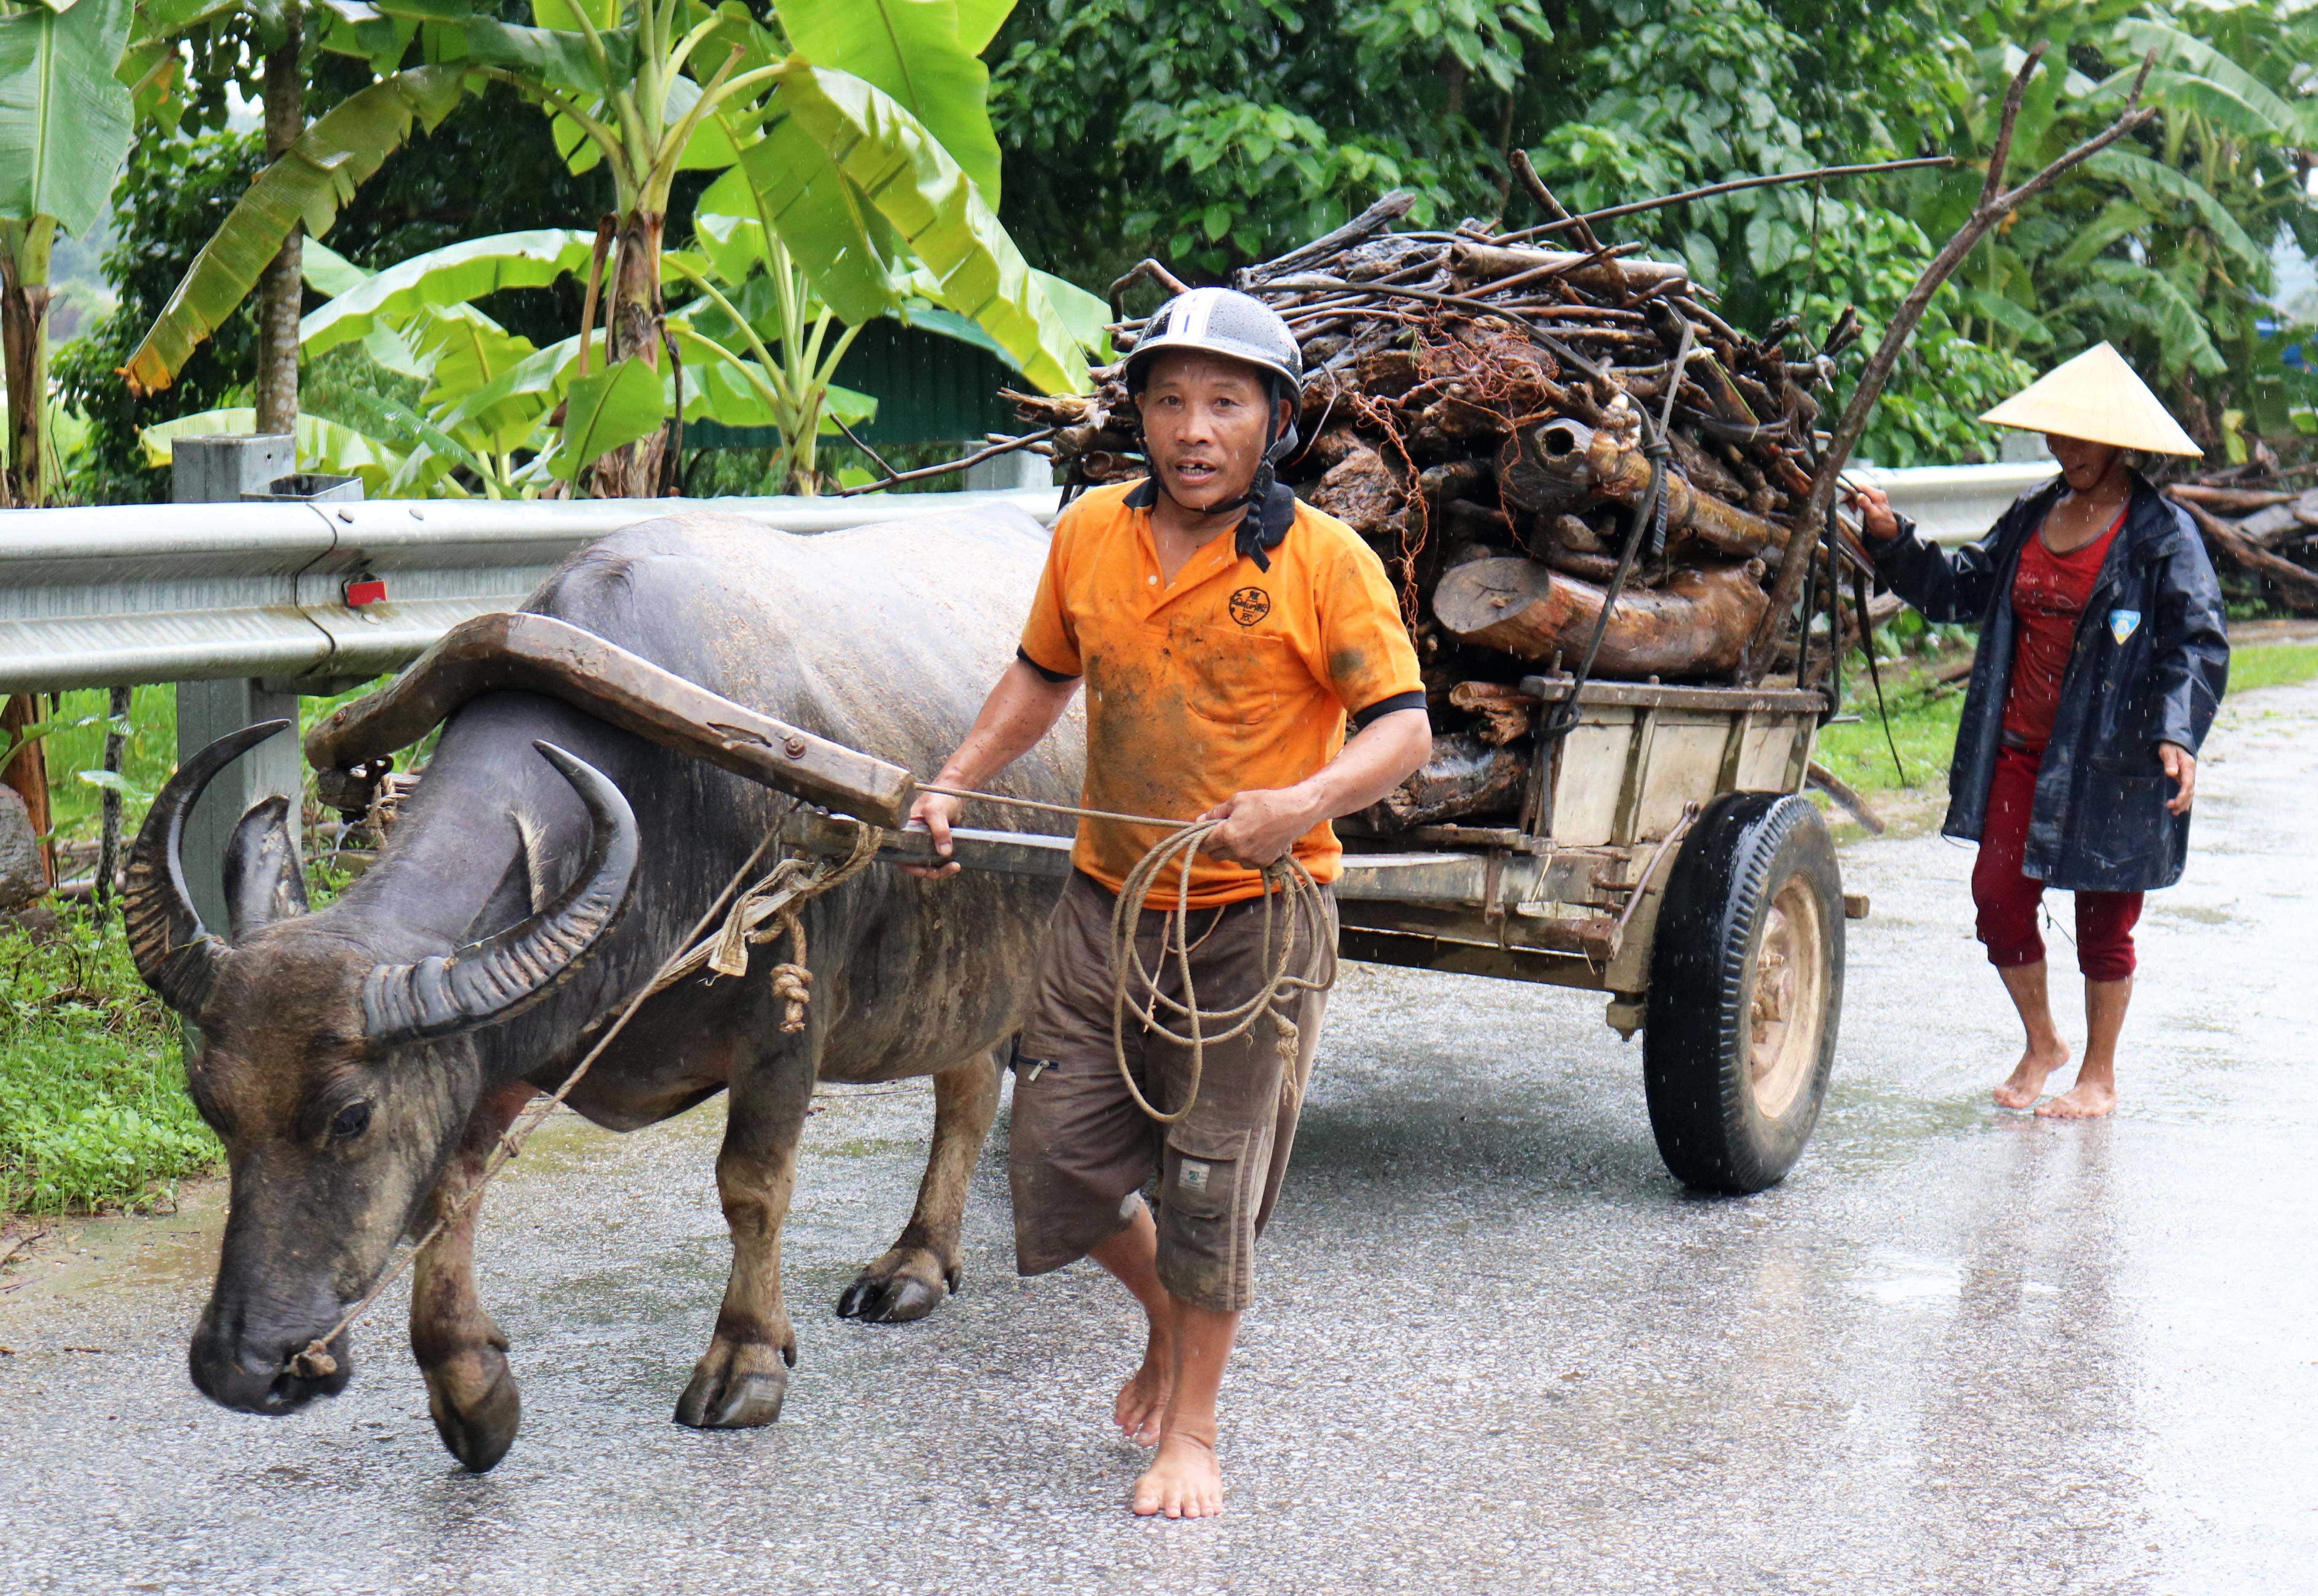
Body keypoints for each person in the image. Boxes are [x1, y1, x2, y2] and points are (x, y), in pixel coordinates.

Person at [907, 288, 1431, 1518]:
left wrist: (1299, 802)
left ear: (1275, 421)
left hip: (1260, 914)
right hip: (1106, 906)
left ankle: (1193, 1430)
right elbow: (1041, 678)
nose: (1196, 429)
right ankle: (1166, 1316)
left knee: (1210, 1184)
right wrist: (952, 784)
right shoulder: (1092, 532)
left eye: (1226, 404)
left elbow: (1402, 733)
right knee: (1058, 1162)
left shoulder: (1321, 561)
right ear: (1138, 415)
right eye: (1171, 401)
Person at [1845, 342, 2229, 1120]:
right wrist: (1892, 539)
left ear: (2121, 442)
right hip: (2023, 750)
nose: (2065, 451)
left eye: (2081, 438)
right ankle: (2043, 1041)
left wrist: (2177, 734)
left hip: (2114, 758)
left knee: (2105, 920)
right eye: (2056, 436)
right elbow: (1959, 591)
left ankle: (2099, 1076)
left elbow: (2198, 642)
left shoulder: (2162, 536)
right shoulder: (2033, 515)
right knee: (1998, 897)